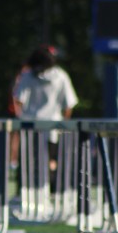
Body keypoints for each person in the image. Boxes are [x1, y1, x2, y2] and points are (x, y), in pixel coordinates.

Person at [12, 44, 78, 174]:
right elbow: (69, 104)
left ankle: (24, 183)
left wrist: (20, 117)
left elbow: (18, 99)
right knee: (50, 160)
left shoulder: (27, 75)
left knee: (26, 161)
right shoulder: (61, 76)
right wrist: (64, 123)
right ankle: (50, 183)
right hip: (52, 125)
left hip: (29, 124)